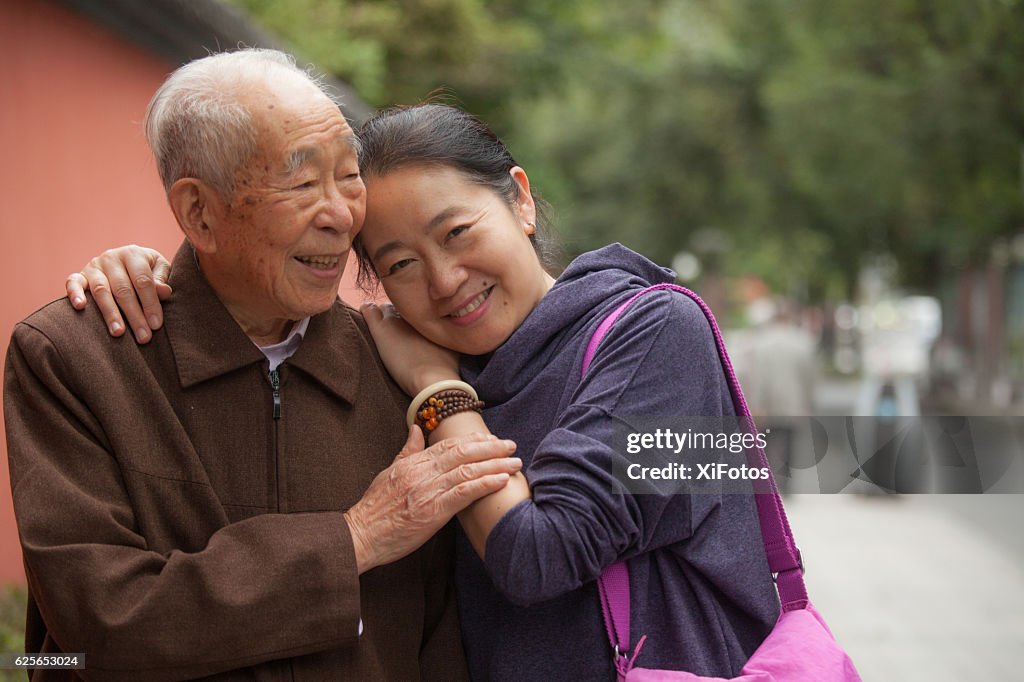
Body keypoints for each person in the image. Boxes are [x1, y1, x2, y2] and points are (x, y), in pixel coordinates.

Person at [67, 104, 780, 679]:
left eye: (458, 230)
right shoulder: (412, 364)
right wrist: (155, 278)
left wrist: (439, 390)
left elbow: (539, 557)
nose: (443, 281)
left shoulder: (658, 332)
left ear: (521, 201)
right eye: (401, 263)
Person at [5, 50, 524, 681]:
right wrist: (355, 538)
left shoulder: (402, 361)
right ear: (199, 212)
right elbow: (95, 626)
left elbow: (447, 631)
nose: (342, 215)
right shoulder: (78, 355)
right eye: (303, 184)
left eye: (349, 176)